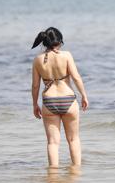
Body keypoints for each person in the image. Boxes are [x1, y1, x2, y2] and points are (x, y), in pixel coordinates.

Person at [31, 27, 89, 168]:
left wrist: (34, 105)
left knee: (52, 142)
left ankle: (53, 175)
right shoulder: (66, 55)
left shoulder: (38, 60)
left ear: (44, 42)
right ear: (59, 41)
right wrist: (84, 96)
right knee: (73, 139)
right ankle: (76, 173)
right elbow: (76, 77)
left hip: (49, 102)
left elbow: (35, 86)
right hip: (68, 99)